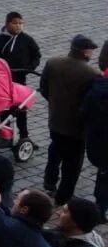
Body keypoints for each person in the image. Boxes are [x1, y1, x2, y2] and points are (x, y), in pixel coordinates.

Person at [42, 35, 102, 205]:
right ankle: (63, 196)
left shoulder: (53, 63)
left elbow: (44, 89)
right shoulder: (92, 74)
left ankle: (49, 182)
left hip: (55, 121)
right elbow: (91, 103)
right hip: (76, 128)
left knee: (54, 151)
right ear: (85, 51)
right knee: (72, 165)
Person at [0, 12, 43, 141]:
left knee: (21, 109)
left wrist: (29, 68)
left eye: (20, 23)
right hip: (3, 80)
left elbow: (36, 55)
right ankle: (5, 134)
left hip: (20, 80)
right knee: (5, 108)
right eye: (15, 23)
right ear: (7, 24)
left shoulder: (27, 40)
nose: (18, 26)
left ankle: (24, 136)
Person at [81, 70, 108, 219]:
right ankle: (101, 210)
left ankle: (100, 205)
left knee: (103, 174)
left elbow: (84, 112)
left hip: (96, 142)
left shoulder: (95, 90)